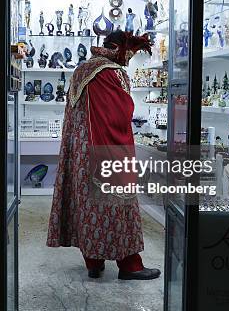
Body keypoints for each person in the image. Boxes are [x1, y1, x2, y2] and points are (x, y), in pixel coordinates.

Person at [46, 29, 161, 280]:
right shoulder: (112, 72)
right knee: (117, 205)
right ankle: (130, 265)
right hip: (106, 152)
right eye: (129, 54)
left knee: (88, 206)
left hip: (80, 155)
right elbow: (120, 115)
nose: (128, 60)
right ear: (120, 49)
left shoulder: (82, 70)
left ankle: (94, 262)